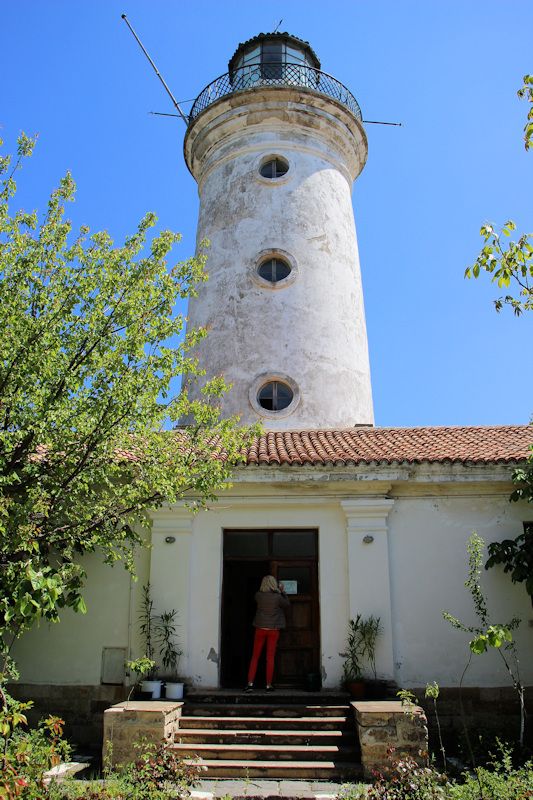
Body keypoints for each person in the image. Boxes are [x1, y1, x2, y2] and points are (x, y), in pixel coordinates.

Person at [244, 575, 290, 692]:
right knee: (270, 657)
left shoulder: (258, 595)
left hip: (260, 628)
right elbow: (287, 604)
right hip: (273, 629)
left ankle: (250, 684)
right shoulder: (278, 597)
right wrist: (282, 591)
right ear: (273, 584)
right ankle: (268, 685)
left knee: (255, 656)